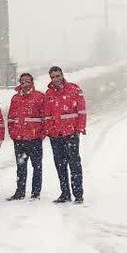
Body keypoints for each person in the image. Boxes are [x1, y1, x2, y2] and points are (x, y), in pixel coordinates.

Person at [43, 66, 86, 204]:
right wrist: (49, 131)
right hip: (55, 135)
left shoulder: (74, 89)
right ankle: (65, 193)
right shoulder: (48, 93)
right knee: (60, 165)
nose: (55, 79)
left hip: (71, 133)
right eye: (53, 77)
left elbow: (81, 111)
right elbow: (47, 115)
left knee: (74, 164)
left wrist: (79, 128)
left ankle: (78, 194)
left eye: (57, 76)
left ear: (62, 75)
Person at [7, 73, 47, 201]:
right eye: (23, 82)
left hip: (35, 139)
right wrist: (13, 134)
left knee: (37, 166)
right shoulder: (15, 98)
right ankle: (20, 192)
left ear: (32, 82)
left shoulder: (40, 97)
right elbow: (11, 118)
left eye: (28, 81)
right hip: (19, 139)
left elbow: (45, 117)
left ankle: (35, 192)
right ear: (20, 83)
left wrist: (41, 134)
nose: (25, 84)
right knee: (21, 167)